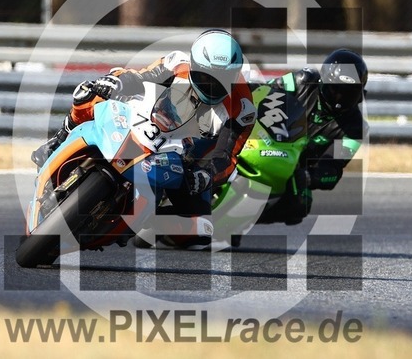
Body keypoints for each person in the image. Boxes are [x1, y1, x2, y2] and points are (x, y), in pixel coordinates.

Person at [31, 29, 257, 249]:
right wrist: (116, 83)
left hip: (187, 154)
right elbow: (140, 77)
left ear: (233, 77)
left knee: (200, 226)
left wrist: (206, 175)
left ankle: (143, 221)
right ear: (194, 65)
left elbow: (226, 156)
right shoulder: (177, 63)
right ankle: (58, 140)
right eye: (205, 77)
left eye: (220, 81)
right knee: (89, 92)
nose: (211, 86)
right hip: (149, 119)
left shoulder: (243, 109)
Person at [259, 48, 369, 226]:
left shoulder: (355, 129)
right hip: (259, 139)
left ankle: (243, 221)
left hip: (290, 169)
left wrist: (308, 176)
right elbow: (263, 91)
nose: (338, 99)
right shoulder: (302, 80)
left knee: (301, 203)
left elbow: (332, 169)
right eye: (334, 90)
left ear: (360, 95)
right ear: (322, 82)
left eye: (347, 94)